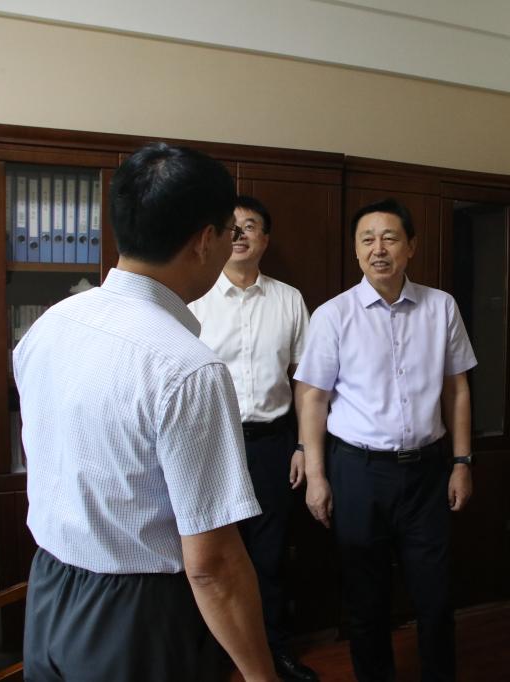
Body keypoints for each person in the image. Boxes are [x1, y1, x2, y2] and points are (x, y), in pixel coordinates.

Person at [14, 142, 276, 682]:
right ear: (204, 240)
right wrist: (261, 674)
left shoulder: (50, 324)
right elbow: (212, 564)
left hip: (48, 591)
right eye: (229, 231)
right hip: (137, 615)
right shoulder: (187, 368)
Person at [294, 198, 476, 681]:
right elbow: (312, 397)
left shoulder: (441, 307)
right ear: (356, 251)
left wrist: (462, 462)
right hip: (358, 472)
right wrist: (317, 476)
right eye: (367, 240)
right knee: (365, 600)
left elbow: (457, 389)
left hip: (427, 473)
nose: (379, 249)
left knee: (435, 598)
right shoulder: (333, 315)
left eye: (390, 238)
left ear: (411, 246)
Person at [188, 195, 318, 681]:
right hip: (211, 445)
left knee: (270, 554)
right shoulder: (195, 299)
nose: (240, 234)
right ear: (220, 237)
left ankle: (274, 652)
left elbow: (306, 381)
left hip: (272, 445)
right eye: (233, 226)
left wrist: (303, 446)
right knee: (212, 555)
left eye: (251, 225)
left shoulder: (289, 300)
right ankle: (213, 658)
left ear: (266, 239)